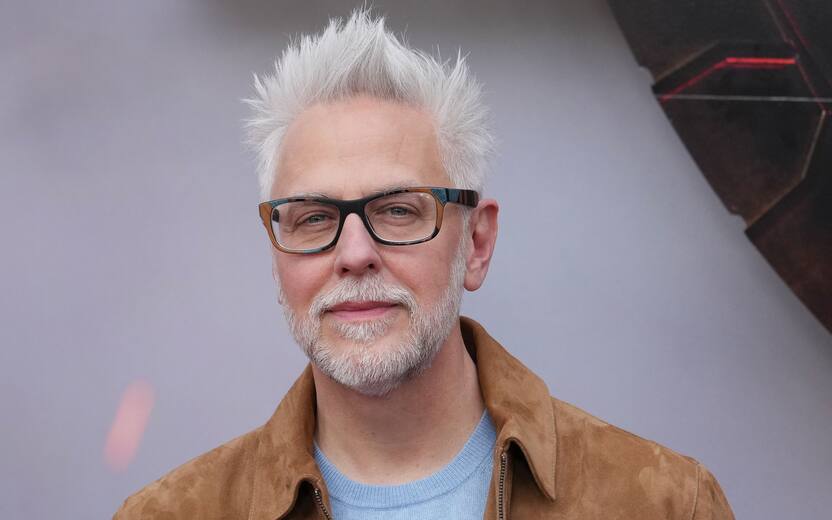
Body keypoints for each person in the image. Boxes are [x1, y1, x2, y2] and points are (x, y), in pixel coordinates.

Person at [114, 9, 734, 520]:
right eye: (311, 218)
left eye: (399, 212)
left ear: (478, 244)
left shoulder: (663, 503)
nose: (354, 254)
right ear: (277, 254)